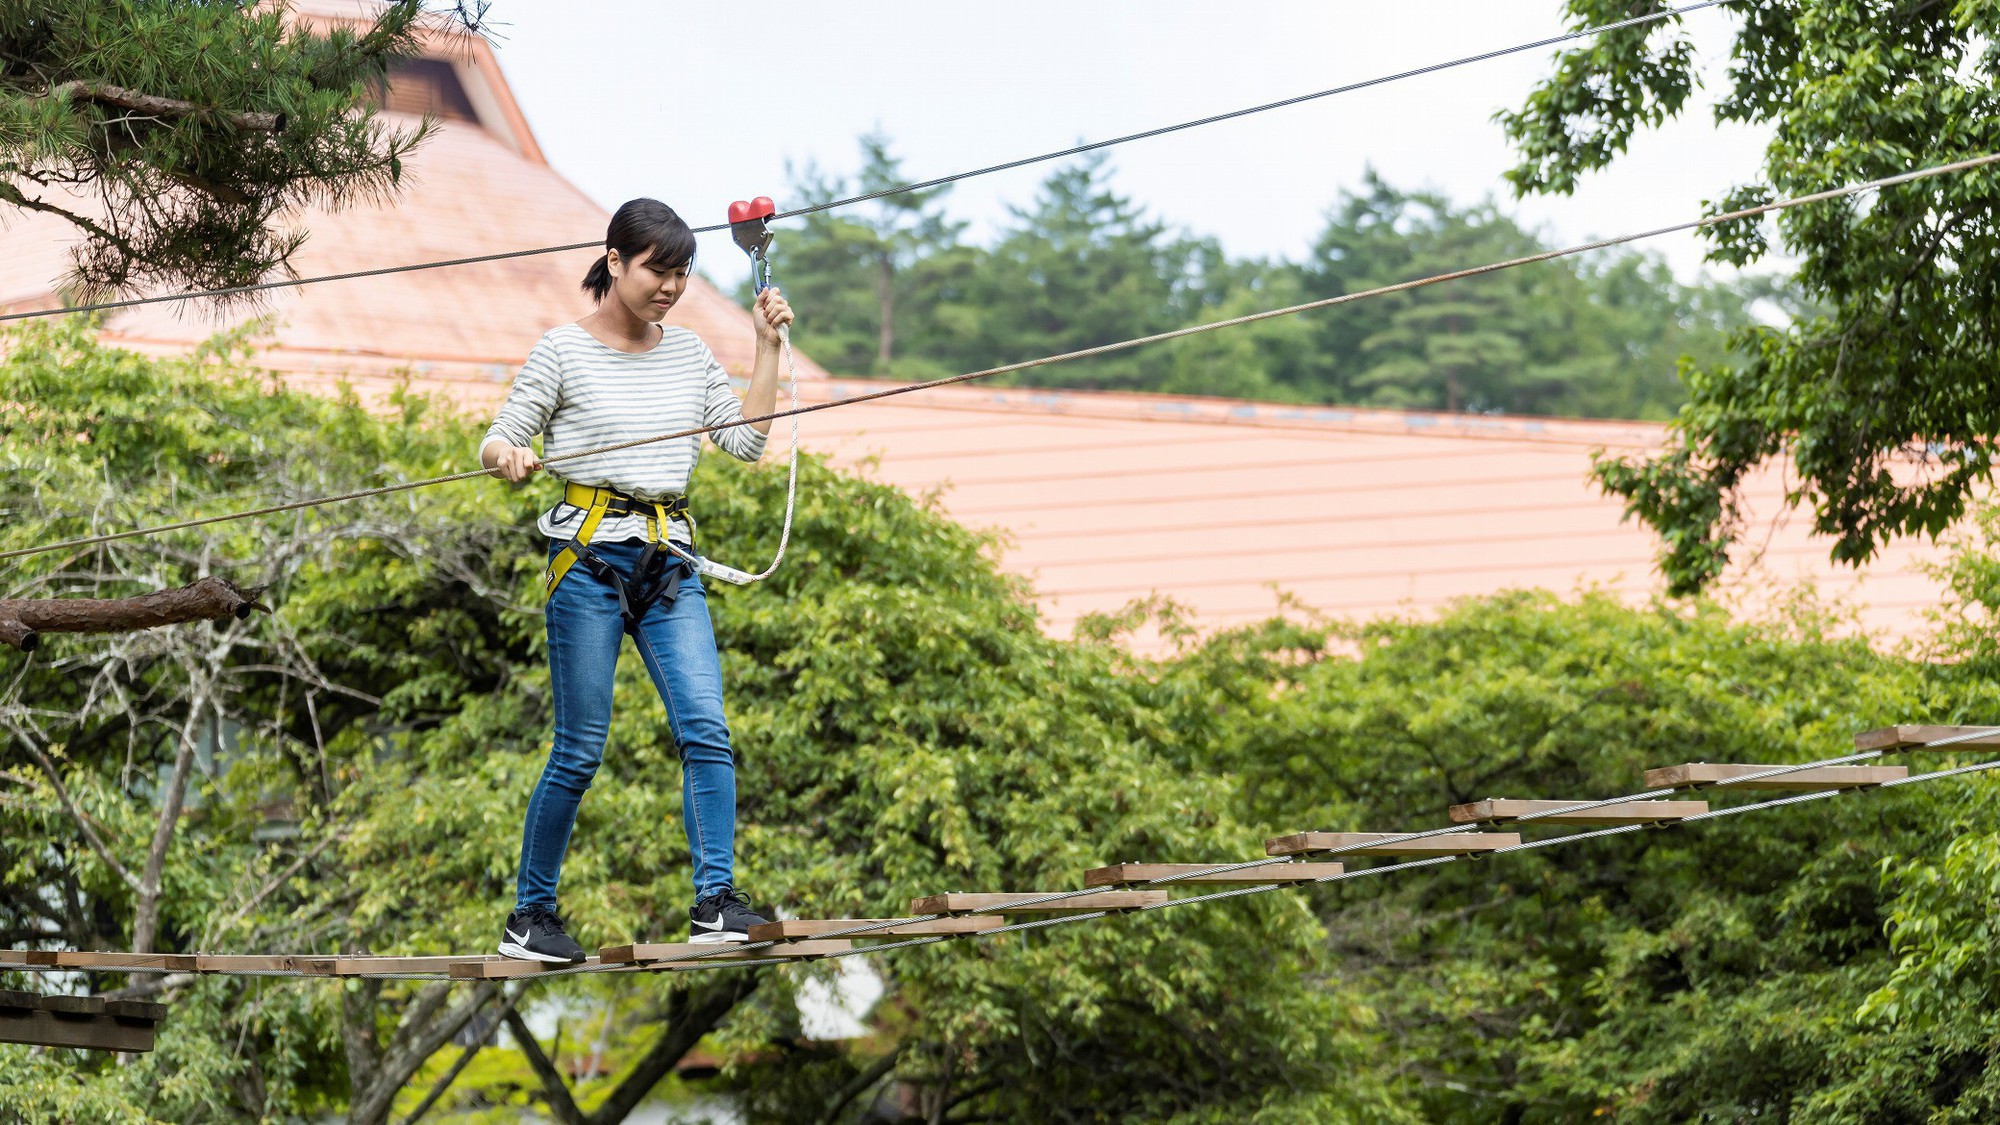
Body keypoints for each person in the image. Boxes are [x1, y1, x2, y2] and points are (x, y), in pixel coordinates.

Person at [479, 198, 793, 962]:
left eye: (682, 273)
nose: (670, 286)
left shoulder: (688, 354)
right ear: (615, 261)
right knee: (580, 748)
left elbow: (746, 443)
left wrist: (766, 347)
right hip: (587, 563)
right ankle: (531, 916)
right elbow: (498, 438)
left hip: (668, 565)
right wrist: (508, 458)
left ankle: (716, 902)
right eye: (658, 269)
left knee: (706, 728)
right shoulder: (562, 351)